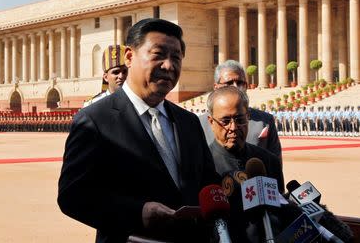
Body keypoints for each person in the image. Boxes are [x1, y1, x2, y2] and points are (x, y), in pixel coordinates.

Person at [58, 18, 220, 243]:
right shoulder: (95, 120)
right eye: (158, 54)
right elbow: (72, 196)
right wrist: (137, 212)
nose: (169, 65)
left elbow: (207, 181)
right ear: (129, 57)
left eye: (176, 57)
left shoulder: (189, 122)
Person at [206, 86, 285, 242]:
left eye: (240, 120)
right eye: (225, 121)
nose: (233, 128)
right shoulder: (201, 164)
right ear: (211, 121)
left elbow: (279, 210)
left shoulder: (269, 161)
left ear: (248, 116)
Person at [198, 60, 282, 161]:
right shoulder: (198, 124)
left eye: (240, 82)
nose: (236, 87)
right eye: (229, 83)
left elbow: (275, 164)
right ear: (216, 87)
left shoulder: (265, 121)